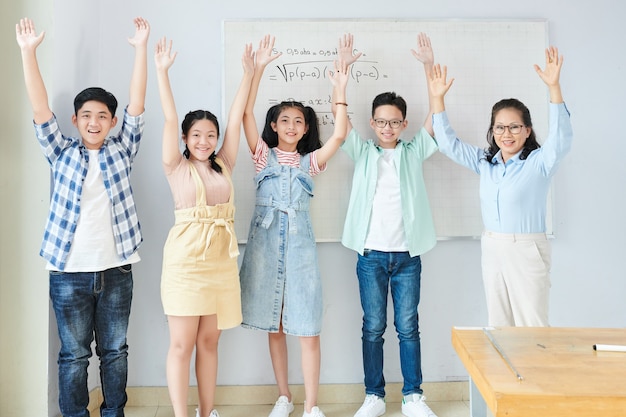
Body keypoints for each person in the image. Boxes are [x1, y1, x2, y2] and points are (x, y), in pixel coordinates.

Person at [15, 17, 149, 417]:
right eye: (86, 115)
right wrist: (28, 52)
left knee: (114, 352)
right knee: (73, 356)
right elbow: (40, 108)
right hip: (68, 272)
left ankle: (114, 413)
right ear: (75, 120)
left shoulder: (122, 149)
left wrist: (141, 49)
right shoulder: (61, 152)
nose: (94, 122)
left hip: (116, 270)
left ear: (111, 121)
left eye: (103, 116)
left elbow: (137, 106)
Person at [239, 35, 350, 417]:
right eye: (283, 119)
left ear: (305, 130)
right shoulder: (261, 156)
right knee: (276, 324)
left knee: (308, 327)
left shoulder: (310, 162)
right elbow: (243, 115)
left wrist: (340, 89)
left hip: (301, 250)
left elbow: (340, 135)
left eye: (298, 121)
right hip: (265, 248)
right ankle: (284, 397)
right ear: (274, 124)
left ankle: (311, 405)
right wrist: (257, 70)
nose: (290, 125)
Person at [428, 47, 572, 327]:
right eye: (500, 127)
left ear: (528, 130)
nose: (507, 134)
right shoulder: (486, 162)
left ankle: (535, 373)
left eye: (515, 127)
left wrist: (554, 88)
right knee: (500, 326)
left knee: (532, 326)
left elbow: (561, 138)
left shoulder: (539, 162)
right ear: (492, 130)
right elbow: (448, 144)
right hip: (492, 247)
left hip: (526, 248)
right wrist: (437, 99)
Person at [334, 33, 439, 417]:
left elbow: (437, 118)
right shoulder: (363, 151)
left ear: (404, 123)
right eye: (381, 121)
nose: (387, 127)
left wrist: (429, 67)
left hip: (408, 256)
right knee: (373, 326)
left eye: (394, 122)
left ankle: (413, 395)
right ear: (373, 123)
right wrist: (342, 77)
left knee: (408, 326)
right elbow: (340, 124)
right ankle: (374, 396)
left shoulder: (414, 152)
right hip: (371, 255)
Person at [154, 36, 254, 417]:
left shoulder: (224, 162)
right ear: (184, 138)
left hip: (220, 262)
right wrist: (163, 72)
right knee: (182, 344)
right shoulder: (175, 167)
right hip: (185, 262)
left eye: (210, 135)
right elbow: (167, 116)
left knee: (210, 342)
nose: (204, 140)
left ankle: (207, 411)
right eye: (196, 135)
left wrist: (248, 74)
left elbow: (235, 116)